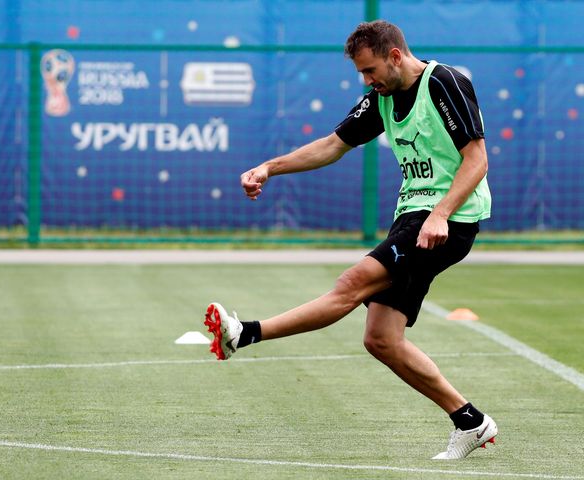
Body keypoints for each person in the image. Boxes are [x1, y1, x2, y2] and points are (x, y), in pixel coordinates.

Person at [204, 20, 496, 460]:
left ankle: (244, 334)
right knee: (381, 339)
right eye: (361, 73)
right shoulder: (381, 98)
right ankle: (470, 421)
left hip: (447, 221)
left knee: (352, 283)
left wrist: (441, 214)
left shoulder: (444, 82)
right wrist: (269, 167)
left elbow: (477, 159)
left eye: (370, 70)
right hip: (412, 219)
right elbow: (332, 145)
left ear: (395, 56)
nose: (367, 80)